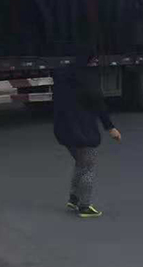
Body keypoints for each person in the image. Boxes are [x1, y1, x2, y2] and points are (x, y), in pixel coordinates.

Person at [52, 53, 122, 218]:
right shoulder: (88, 79)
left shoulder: (63, 77)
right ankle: (85, 206)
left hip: (64, 130)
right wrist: (110, 128)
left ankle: (74, 198)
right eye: (94, 61)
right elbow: (99, 104)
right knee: (88, 167)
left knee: (81, 163)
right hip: (82, 131)